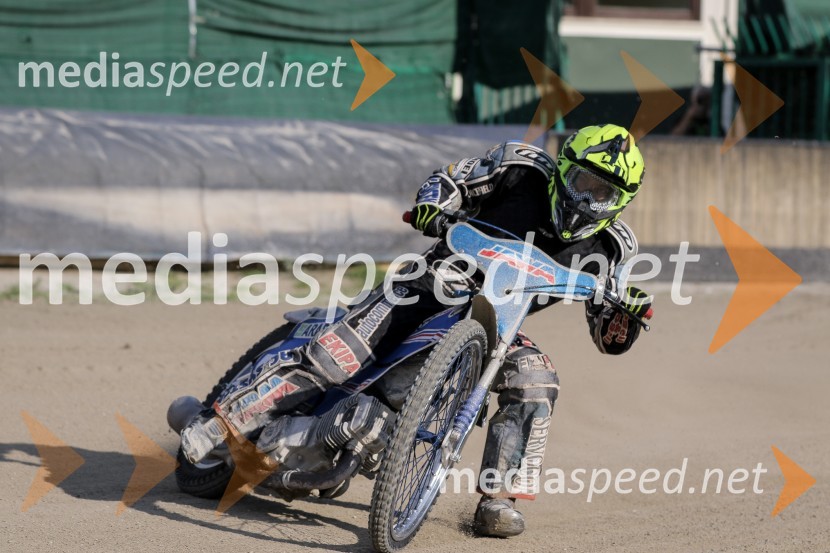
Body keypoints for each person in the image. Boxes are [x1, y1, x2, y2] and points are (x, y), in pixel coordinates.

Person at [181, 123, 652, 538]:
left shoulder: (614, 246)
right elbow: (451, 179)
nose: (589, 200)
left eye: (605, 193)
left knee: (537, 379)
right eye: (583, 183)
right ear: (563, 167)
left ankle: (498, 500)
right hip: (431, 285)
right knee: (335, 355)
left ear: (622, 202)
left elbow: (608, 334)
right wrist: (434, 205)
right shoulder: (520, 166)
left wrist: (624, 317)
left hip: (497, 324)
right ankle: (222, 422)